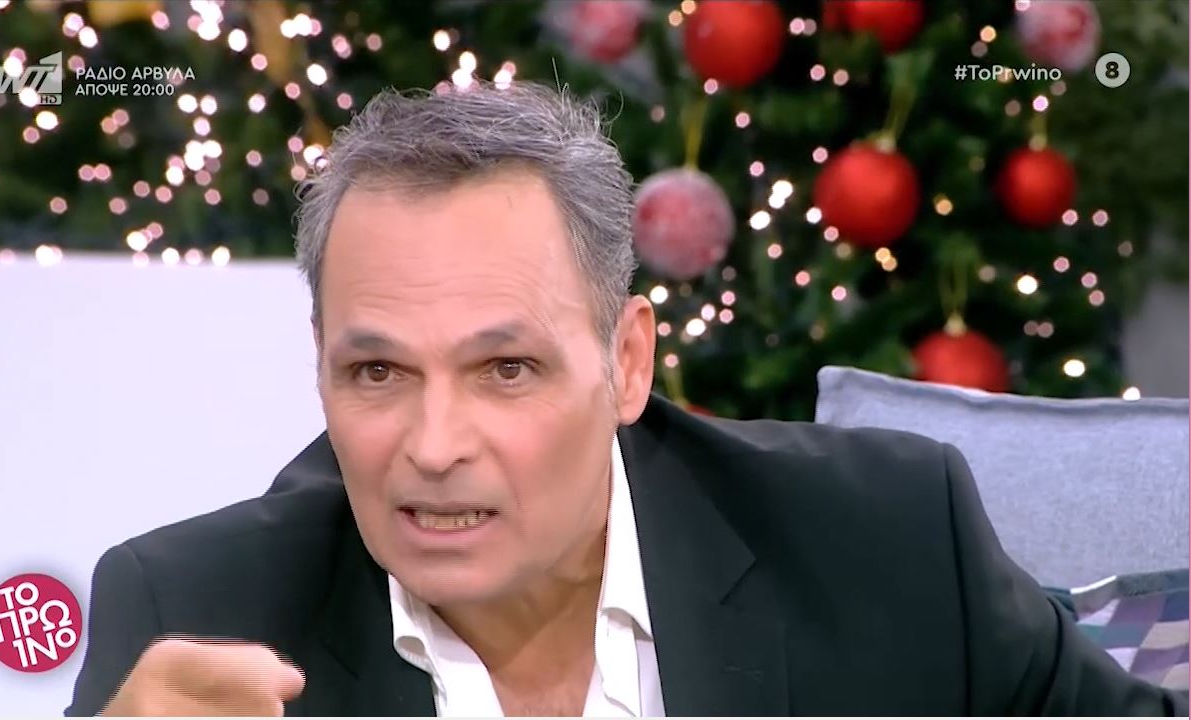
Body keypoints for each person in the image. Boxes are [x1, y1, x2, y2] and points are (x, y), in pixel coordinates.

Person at [66, 81, 1187, 717]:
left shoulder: (887, 543)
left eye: (506, 369)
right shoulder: (195, 619)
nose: (434, 446)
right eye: (378, 373)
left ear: (629, 362)